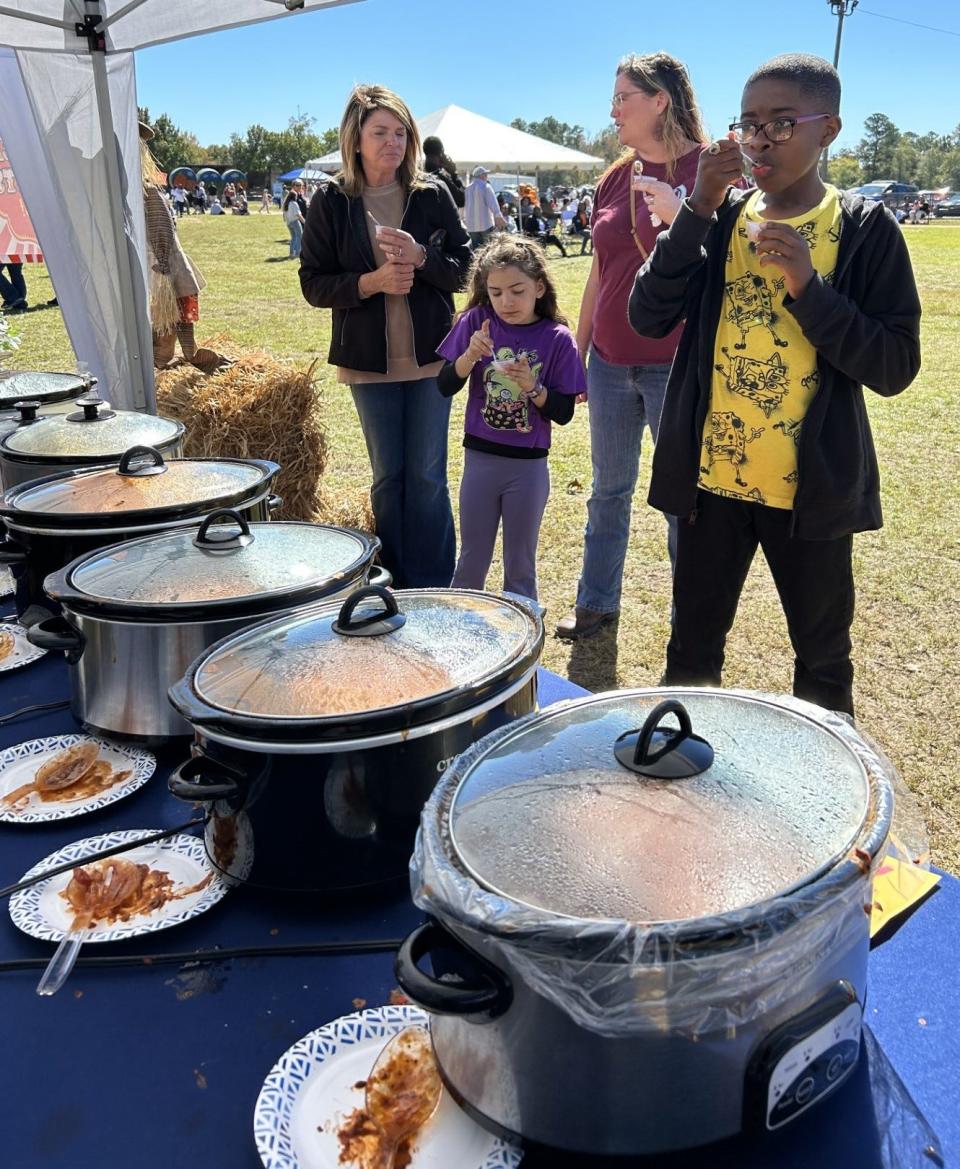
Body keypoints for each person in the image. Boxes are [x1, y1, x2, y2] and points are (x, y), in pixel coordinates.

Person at [629, 54, 921, 716]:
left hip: (809, 495)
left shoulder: (865, 230)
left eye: (783, 123)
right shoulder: (721, 218)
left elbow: (896, 364)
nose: (760, 139)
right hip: (712, 487)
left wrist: (810, 290)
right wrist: (698, 207)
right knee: (692, 648)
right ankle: (680, 781)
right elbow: (646, 316)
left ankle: (822, 797)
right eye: (750, 123)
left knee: (821, 658)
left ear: (830, 131)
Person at [556, 51, 710, 639]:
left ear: (660, 100)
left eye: (624, 96)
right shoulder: (612, 178)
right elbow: (599, 271)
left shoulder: (709, 171)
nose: (613, 108)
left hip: (678, 364)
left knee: (682, 500)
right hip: (609, 364)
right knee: (607, 491)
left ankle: (689, 620)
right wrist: (579, 350)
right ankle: (596, 605)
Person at [299, 84, 471, 588]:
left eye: (401, 133)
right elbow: (313, 282)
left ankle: (435, 586)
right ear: (355, 139)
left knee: (426, 477)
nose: (393, 142)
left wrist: (421, 258)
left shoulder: (431, 194)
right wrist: (370, 283)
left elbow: (463, 269)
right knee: (388, 478)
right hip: (367, 363)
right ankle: (392, 584)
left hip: (431, 361)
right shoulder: (332, 201)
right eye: (381, 132)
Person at [436, 237, 585, 601]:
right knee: (472, 559)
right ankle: (457, 632)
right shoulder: (476, 322)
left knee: (519, 565)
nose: (506, 302)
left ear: (539, 287)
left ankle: (522, 647)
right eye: (496, 292)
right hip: (481, 459)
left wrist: (534, 388)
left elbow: (564, 412)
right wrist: (470, 354)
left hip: (529, 467)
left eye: (517, 290)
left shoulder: (558, 338)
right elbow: (444, 384)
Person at [139, 121, 207, 368]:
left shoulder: (148, 193)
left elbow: (162, 231)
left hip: (159, 266)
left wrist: (164, 264)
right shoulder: (143, 192)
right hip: (154, 267)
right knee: (162, 325)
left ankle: (182, 353)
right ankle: (171, 358)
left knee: (169, 321)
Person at [464, 165, 506, 247]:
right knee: (488, 248)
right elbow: (493, 204)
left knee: (476, 250)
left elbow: (464, 206)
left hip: (471, 226)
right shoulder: (486, 186)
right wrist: (499, 217)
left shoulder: (467, 189)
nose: (487, 176)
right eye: (486, 174)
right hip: (485, 224)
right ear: (482, 175)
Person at [423, 136, 465, 208]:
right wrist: (453, 174)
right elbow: (461, 200)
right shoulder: (441, 179)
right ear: (441, 153)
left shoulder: (417, 177)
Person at [283, 180, 307, 258]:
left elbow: (285, 215)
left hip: (289, 222)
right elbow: (298, 215)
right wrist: (305, 222)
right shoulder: (294, 203)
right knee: (299, 236)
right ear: (294, 196)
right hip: (295, 222)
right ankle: (297, 253)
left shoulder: (287, 204)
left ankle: (291, 253)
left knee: (293, 237)